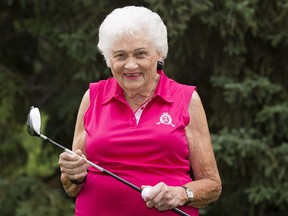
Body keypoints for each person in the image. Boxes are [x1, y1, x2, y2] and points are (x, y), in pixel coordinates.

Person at [58, 5, 221, 216]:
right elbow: (71, 188)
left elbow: (212, 185)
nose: (131, 65)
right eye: (120, 56)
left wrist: (181, 194)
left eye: (140, 54)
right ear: (109, 60)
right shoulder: (93, 97)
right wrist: (73, 175)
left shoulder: (186, 99)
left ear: (158, 54)